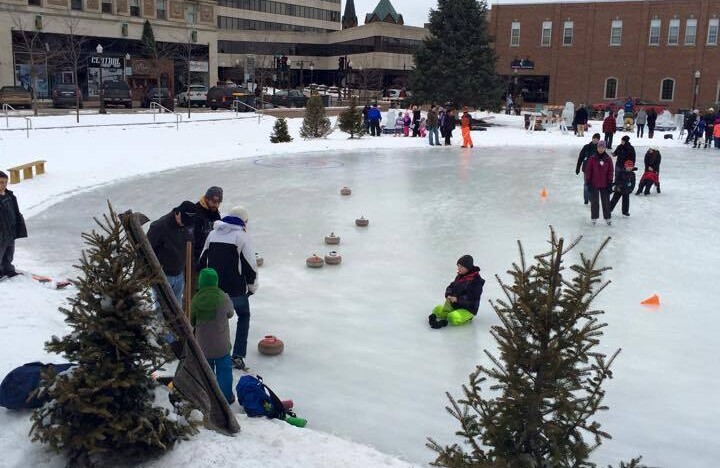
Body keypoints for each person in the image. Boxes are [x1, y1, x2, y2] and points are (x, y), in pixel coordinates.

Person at [199, 206, 258, 371]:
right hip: (236, 290)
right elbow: (250, 266)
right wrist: (252, 287)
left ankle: (209, 354)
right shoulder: (241, 236)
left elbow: (202, 261)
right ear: (243, 221)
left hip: (214, 289)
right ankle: (237, 356)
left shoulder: (212, 234)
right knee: (243, 316)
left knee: (216, 320)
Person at [191, 267, 235, 403]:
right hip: (222, 345)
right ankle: (226, 397)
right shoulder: (223, 297)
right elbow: (231, 313)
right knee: (224, 371)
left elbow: (191, 321)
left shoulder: (196, 300)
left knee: (206, 372)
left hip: (203, 346)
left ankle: (209, 397)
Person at [147, 201, 197, 303]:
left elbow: (190, 247)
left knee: (177, 308)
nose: (184, 224)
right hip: (162, 276)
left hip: (179, 274)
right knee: (162, 309)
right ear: (177, 213)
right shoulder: (159, 227)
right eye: (183, 221)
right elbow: (146, 251)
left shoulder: (187, 226)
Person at [428, 255, 485, 329]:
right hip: (455, 305)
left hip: (468, 309)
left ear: (468, 267)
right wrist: (448, 294)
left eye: (461, 267)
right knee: (436, 310)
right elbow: (451, 286)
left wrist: (457, 299)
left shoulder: (476, 281)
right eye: (458, 266)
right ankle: (452, 312)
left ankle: (468, 318)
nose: (458, 269)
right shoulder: (460, 276)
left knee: (452, 318)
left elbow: (473, 297)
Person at [0, 171, 27, 278]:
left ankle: (8, 269)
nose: (3, 185)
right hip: (1, 231)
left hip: (11, 229)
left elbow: (15, 211)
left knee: (9, 251)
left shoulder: (9, 195)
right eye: (1, 182)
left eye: (5, 182)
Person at [193, 186, 223, 273]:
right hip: (196, 261)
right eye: (214, 202)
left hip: (210, 259)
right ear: (206, 199)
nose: (216, 205)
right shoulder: (196, 213)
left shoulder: (215, 213)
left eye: (218, 202)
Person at [584, 140, 614, 225]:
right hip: (594, 184)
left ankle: (607, 218)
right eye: (599, 147)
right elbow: (588, 171)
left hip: (605, 184)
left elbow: (610, 171)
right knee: (594, 202)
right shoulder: (592, 158)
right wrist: (588, 182)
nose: (601, 149)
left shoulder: (608, 159)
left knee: (606, 202)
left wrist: (610, 183)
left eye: (603, 147)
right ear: (597, 148)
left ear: (605, 148)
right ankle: (594, 217)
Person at [576, 133, 600, 205]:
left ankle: (591, 198)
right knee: (586, 184)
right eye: (594, 138)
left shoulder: (600, 148)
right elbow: (580, 157)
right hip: (586, 169)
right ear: (592, 138)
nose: (595, 140)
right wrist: (578, 167)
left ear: (598, 140)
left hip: (596, 170)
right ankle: (586, 199)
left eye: (597, 139)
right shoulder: (586, 147)